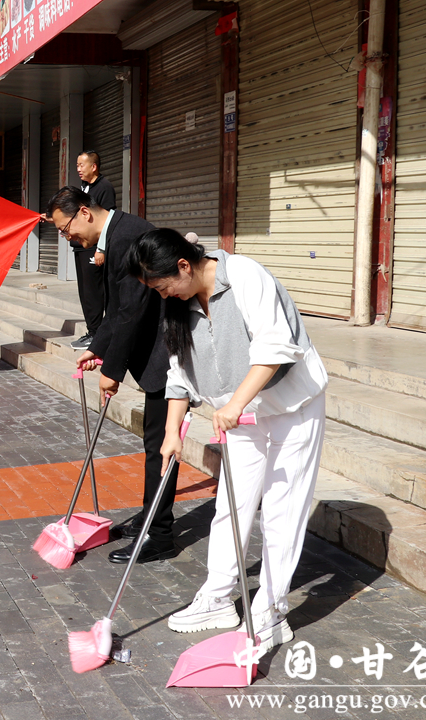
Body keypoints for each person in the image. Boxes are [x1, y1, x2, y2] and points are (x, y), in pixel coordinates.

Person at [125, 228, 327, 651]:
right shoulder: (180, 305)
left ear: (184, 265)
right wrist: (171, 433)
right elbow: (179, 373)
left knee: (281, 508)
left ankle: (271, 611)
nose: (164, 296)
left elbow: (275, 346)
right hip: (239, 417)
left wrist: (235, 403)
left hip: (292, 407)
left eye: (163, 286)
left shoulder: (245, 276)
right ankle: (217, 596)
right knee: (231, 505)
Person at [46, 186, 179, 564]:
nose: (67, 237)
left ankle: (160, 534)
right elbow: (117, 307)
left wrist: (111, 369)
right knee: (154, 445)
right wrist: (99, 347)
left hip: (167, 353)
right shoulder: (115, 235)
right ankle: (151, 515)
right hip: (153, 351)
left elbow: (133, 309)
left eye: (66, 228)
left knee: (161, 447)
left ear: (84, 213)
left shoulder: (127, 237)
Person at [69, 151, 117, 350]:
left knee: (94, 293)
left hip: (94, 248)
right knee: (85, 293)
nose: (78, 169)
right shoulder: (84, 187)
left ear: (94, 166)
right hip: (81, 247)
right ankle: (92, 331)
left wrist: (101, 249)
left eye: (82, 165)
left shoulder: (104, 187)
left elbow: (108, 220)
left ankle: (97, 335)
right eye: (77, 165)